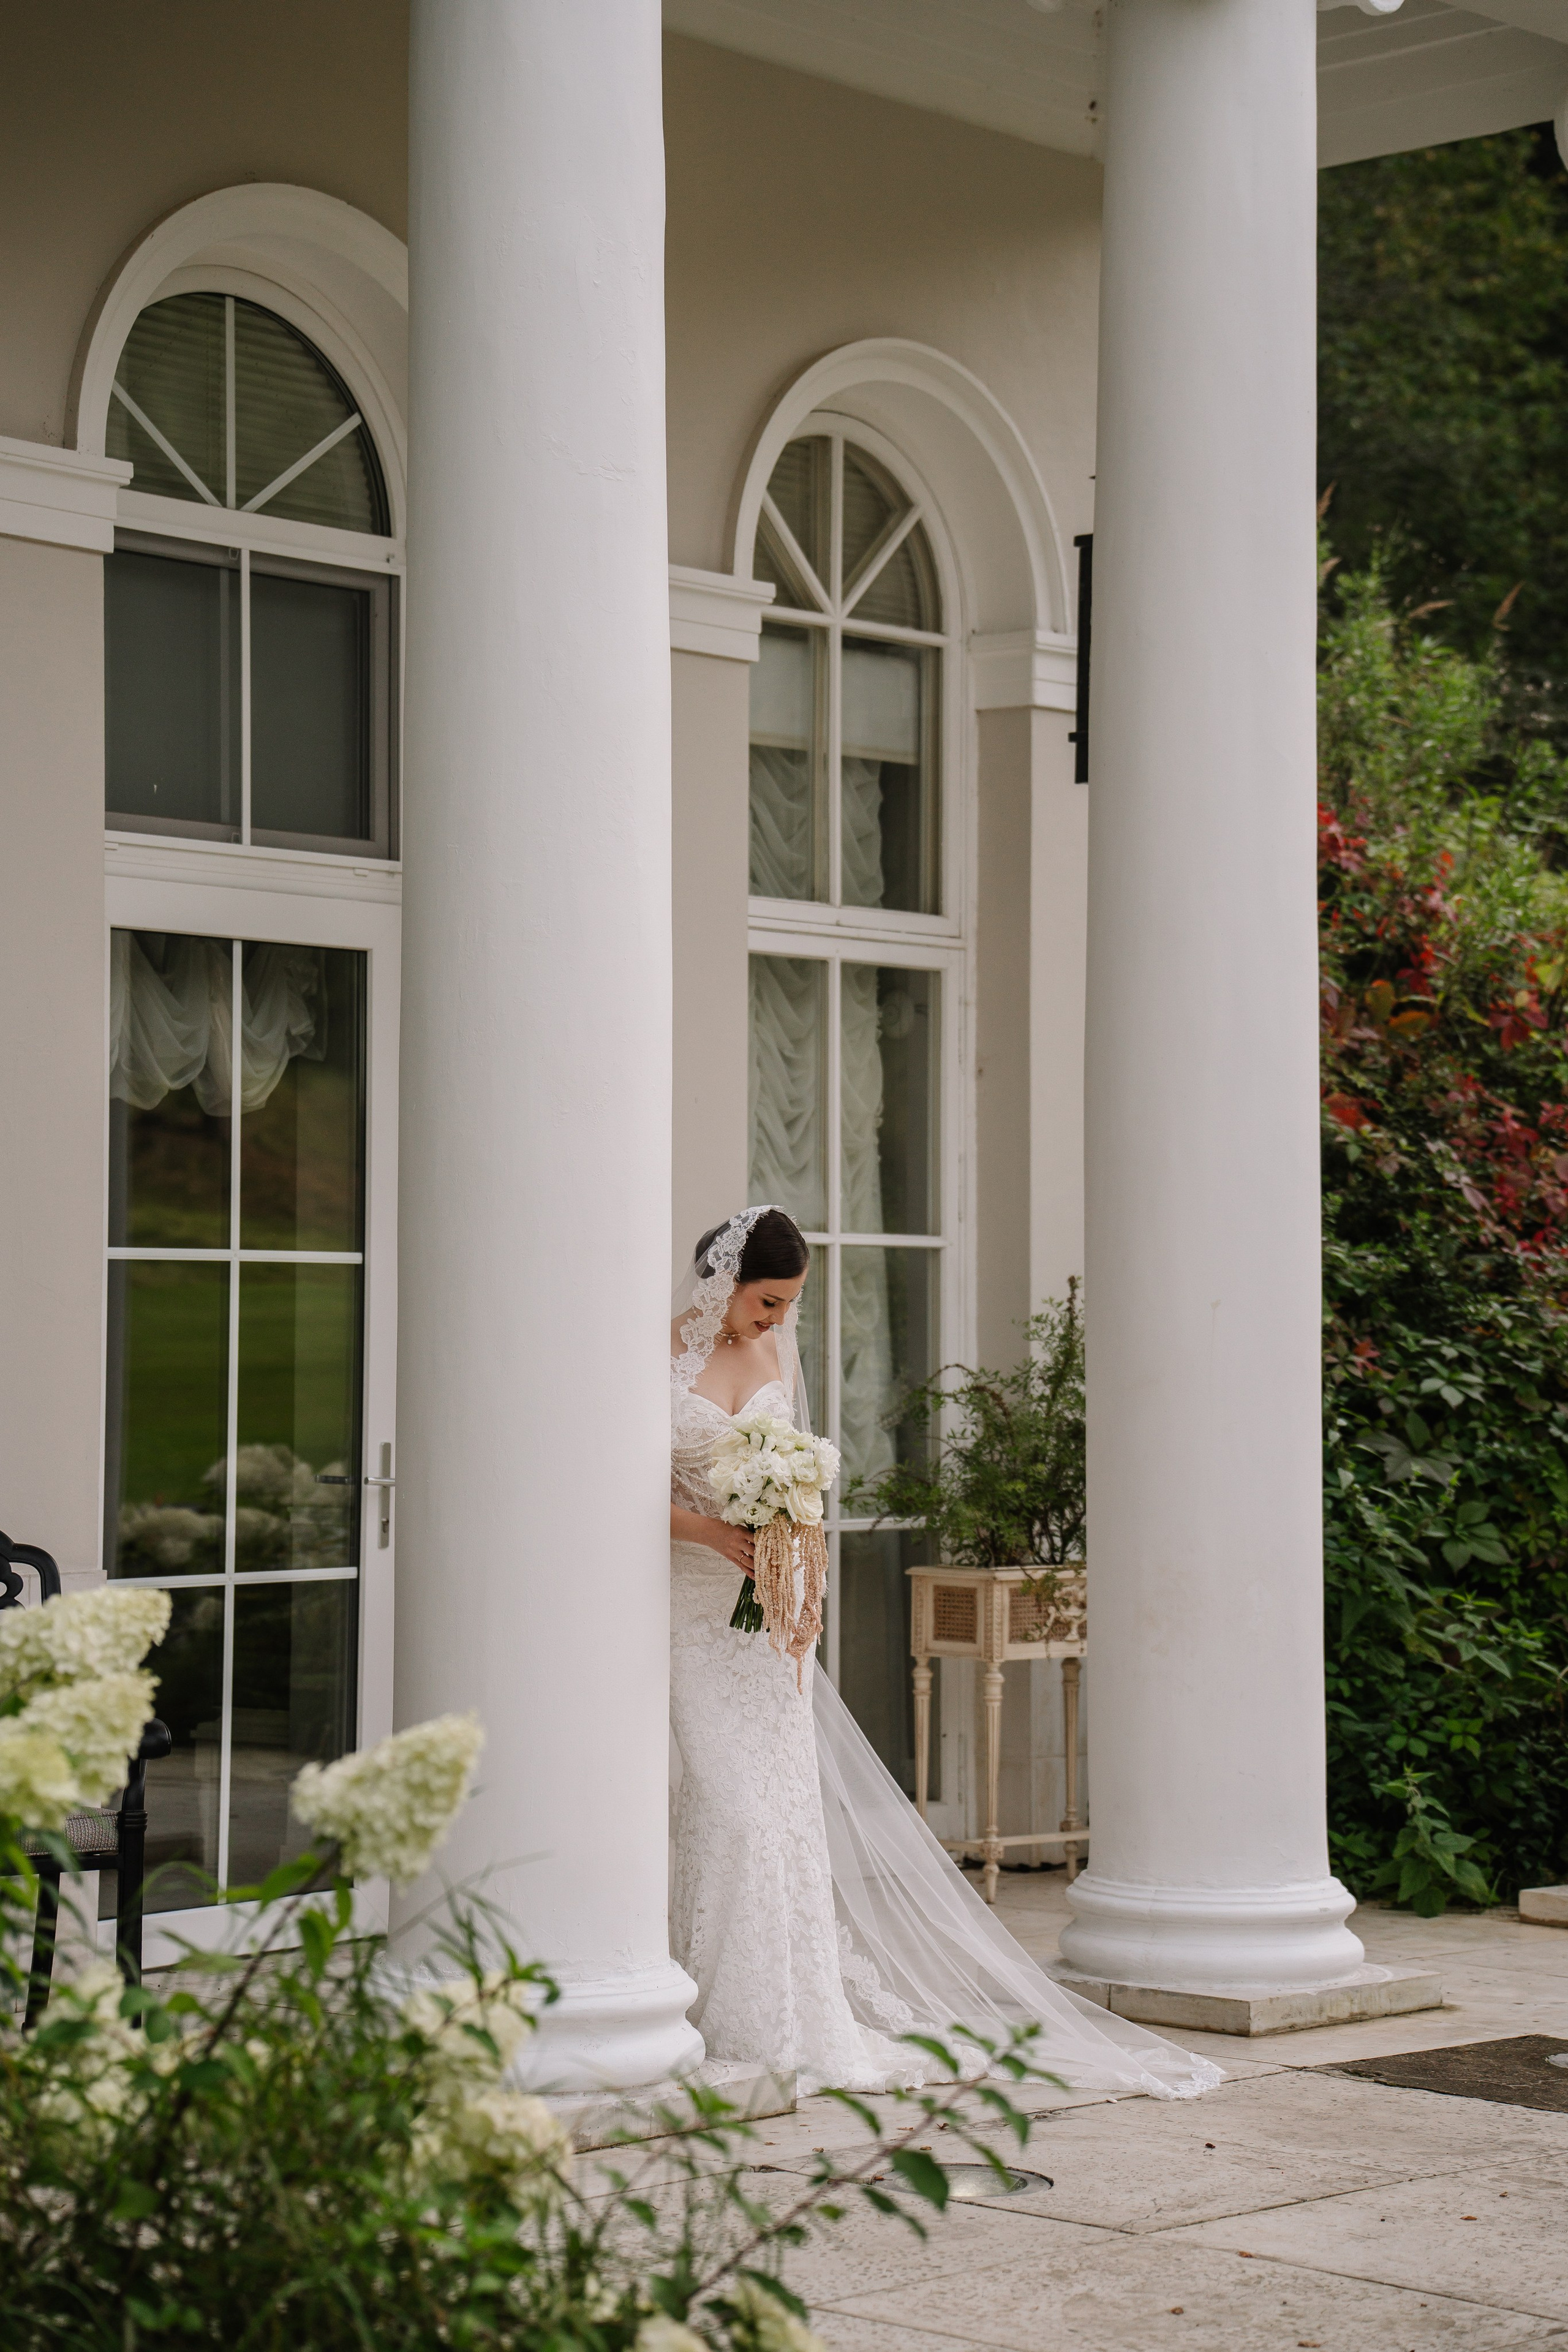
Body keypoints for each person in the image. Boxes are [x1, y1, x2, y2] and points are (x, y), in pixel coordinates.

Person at [668, 1203, 1221, 2099]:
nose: (777, 1323)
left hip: (765, 1615)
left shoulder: (775, 1351)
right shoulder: (658, 1359)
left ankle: (781, 2014)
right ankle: (712, 2003)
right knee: (727, 1807)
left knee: (779, 1810)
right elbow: (615, 1490)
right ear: (722, 1284)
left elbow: (799, 1481)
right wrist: (705, 1530)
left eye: (787, 1307)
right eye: (767, 1303)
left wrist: (786, 1545)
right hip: (690, 1608)